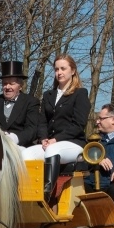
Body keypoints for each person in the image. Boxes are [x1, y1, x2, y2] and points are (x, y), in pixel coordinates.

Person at [23, 54, 90, 201]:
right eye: (56, 69)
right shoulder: (48, 95)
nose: (59, 72)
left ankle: (46, 196)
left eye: (63, 68)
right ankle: (25, 196)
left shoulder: (80, 94)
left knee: (53, 150)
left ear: (72, 71)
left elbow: (79, 125)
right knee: (26, 154)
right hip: (50, 142)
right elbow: (42, 121)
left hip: (73, 143)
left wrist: (56, 139)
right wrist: (44, 138)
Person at [0, 61, 39, 148]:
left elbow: (31, 130)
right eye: (5, 83)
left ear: (20, 86)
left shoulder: (31, 102)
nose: (7, 87)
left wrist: (14, 138)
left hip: (21, 146)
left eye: (12, 84)